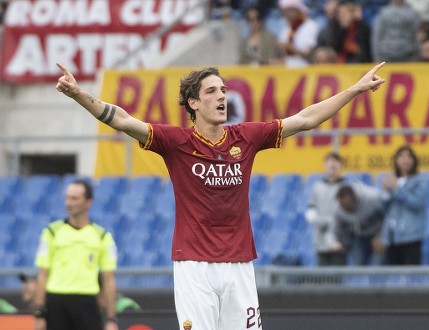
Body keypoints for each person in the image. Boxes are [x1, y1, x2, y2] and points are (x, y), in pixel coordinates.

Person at [55, 60, 385, 329]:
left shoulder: (247, 136)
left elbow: (306, 118)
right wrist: (79, 95)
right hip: (194, 265)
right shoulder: (176, 142)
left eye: (224, 90)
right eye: (212, 91)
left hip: (239, 264)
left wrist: (354, 90)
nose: (222, 96)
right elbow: (124, 121)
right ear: (194, 103)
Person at [34, 179, 119, 330]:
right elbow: (42, 274)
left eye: (74, 198)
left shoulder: (102, 236)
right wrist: (39, 313)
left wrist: (111, 318)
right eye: (67, 198)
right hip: (56, 302)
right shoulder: (51, 233)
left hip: (87, 303)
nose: (69, 203)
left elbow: (109, 280)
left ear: (88, 202)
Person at [373, 145, 429, 265]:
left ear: (414, 160)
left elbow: (417, 203)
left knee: (411, 276)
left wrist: (396, 189)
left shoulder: (420, 180)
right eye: (401, 156)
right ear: (396, 160)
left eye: (408, 156)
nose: (405, 159)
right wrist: (386, 192)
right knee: (395, 276)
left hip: (411, 236)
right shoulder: (391, 179)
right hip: (392, 236)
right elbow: (384, 209)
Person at [306, 152, 347, 266]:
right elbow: (311, 208)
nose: (332, 165)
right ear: (325, 165)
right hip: (321, 238)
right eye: (330, 162)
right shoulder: (317, 186)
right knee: (322, 278)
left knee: (336, 278)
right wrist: (315, 220)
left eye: (336, 162)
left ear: (340, 166)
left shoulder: (346, 186)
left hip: (339, 238)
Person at [334, 183, 385, 266]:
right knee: (357, 264)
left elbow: (388, 218)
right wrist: (343, 243)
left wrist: (381, 236)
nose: (348, 210)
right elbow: (339, 228)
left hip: (378, 234)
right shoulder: (338, 209)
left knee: (377, 265)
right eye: (345, 207)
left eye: (349, 206)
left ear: (355, 199)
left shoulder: (373, 200)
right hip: (359, 235)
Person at [277, 0, 319, 67]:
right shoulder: (285, 30)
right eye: (284, 11)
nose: (286, 14)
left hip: (306, 70)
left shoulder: (310, 26)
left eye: (289, 10)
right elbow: (284, 56)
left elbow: (307, 54)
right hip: (289, 71)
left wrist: (288, 46)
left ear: (298, 10)